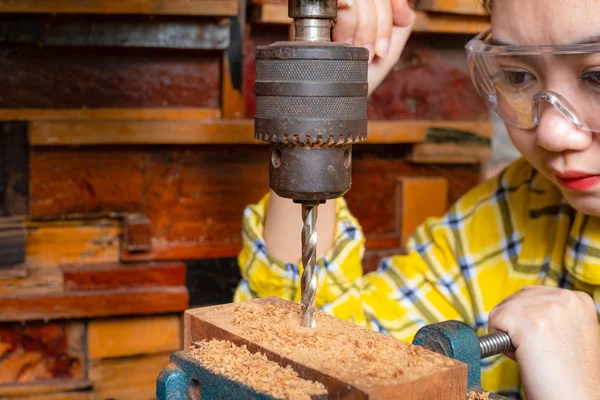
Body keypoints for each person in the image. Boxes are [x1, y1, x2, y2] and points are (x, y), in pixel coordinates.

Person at [234, 1, 600, 399]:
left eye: (598, 76)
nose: (552, 133)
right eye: (517, 74)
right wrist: (319, 98)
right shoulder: (510, 216)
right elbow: (306, 351)